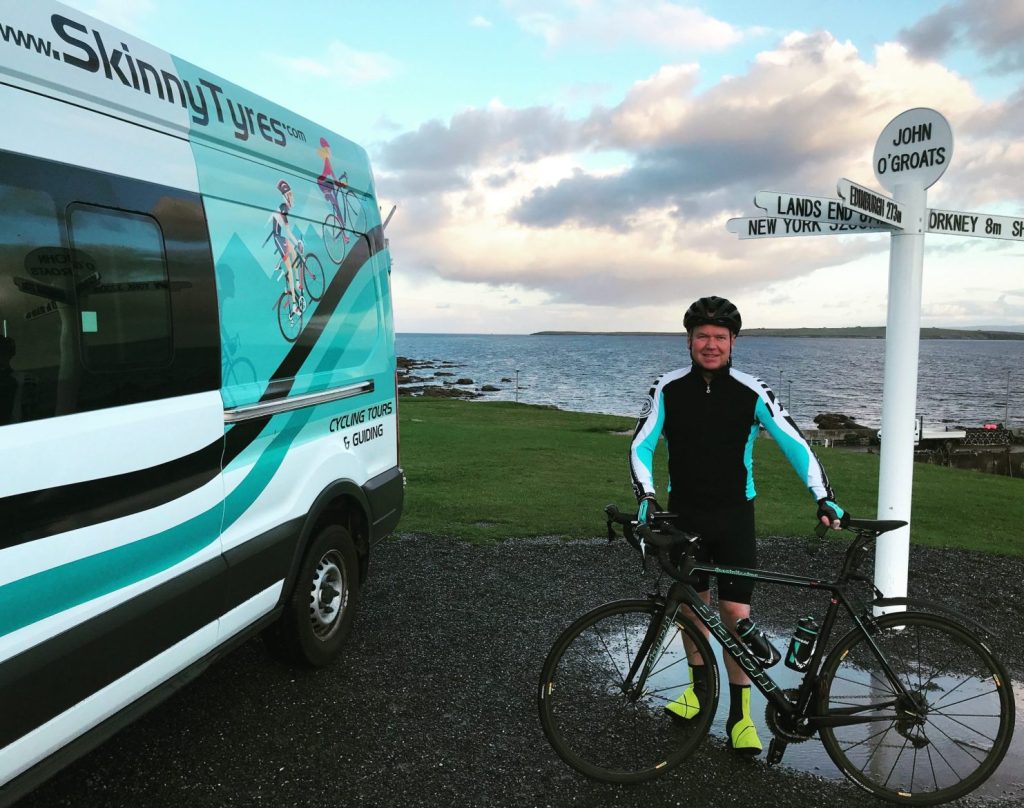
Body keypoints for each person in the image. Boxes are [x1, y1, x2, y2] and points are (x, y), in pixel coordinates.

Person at [629, 295, 846, 755]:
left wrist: (822, 496)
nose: (711, 345)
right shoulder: (666, 388)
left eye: (720, 338)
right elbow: (642, 446)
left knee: (736, 617)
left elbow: (794, 442)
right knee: (691, 610)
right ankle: (699, 694)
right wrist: (646, 497)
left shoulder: (752, 390)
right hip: (683, 517)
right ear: (689, 341)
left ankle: (740, 717)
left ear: (733, 343)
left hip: (734, 517)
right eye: (702, 336)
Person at [269, 179, 303, 320]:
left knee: (295, 254)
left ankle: (296, 282)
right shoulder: (284, 207)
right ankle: (294, 305)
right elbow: (288, 232)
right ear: (285, 196)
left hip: (281, 238)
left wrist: (296, 244)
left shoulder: (285, 208)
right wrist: (298, 241)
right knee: (290, 268)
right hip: (278, 238)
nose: (292, 197)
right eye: (290, 195)